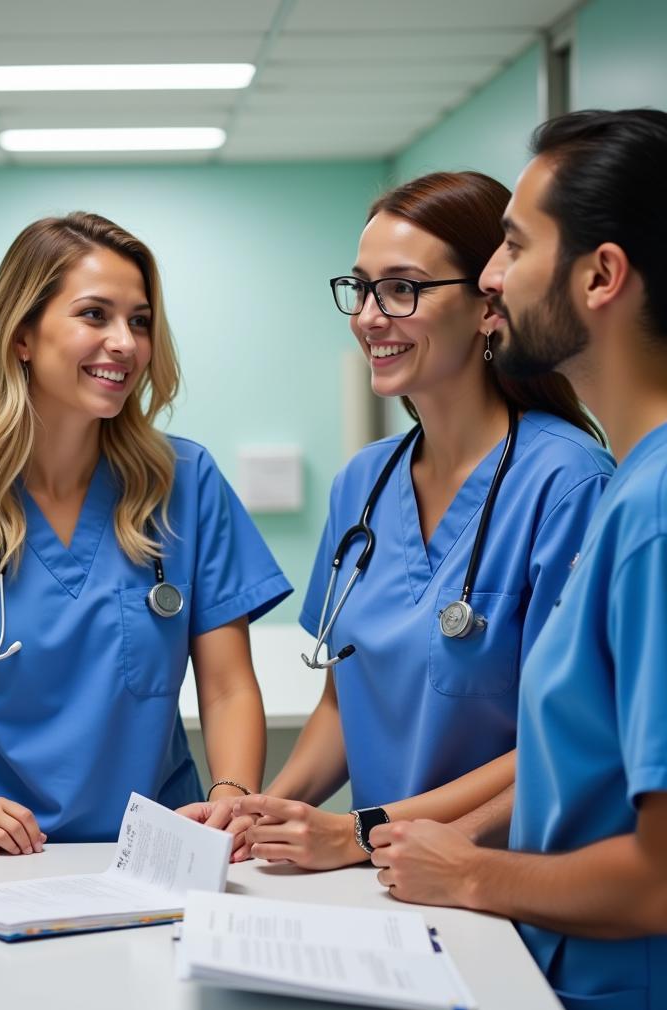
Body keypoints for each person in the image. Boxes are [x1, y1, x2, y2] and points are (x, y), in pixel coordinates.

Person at [0, 212, 292, 855]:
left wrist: (231, 796)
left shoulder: (185, 483)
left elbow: (227, 686)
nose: (126, 342)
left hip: (154, 853)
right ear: (22, 335)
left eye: (139, 320)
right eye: (94, 315)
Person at [371, 109, 667, 1010]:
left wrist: (467, 870)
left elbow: (659, 881)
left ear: (601, 276)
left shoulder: (649, 510)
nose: (492, 279)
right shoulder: (635, 486)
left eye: (513, 246)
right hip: (551, 966)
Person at [232, 171, 613, 869]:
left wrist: (361, 831)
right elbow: (345, 705)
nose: (370, 317)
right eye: (361, 287)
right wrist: (265, 814)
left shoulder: (567, 483)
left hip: (508, 884)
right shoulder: (363, 485)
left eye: (402, 288)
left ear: (487, 307)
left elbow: (563, 739)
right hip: (386, 878)